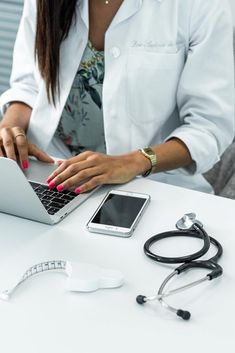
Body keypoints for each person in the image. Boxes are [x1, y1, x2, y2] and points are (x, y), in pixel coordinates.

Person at [0, 0, 234, 195]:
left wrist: (133, 162)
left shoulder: (205, 5)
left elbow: (208, 126)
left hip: (153, 187)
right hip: (49, 173)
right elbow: (31, 85)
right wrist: (10, 128)